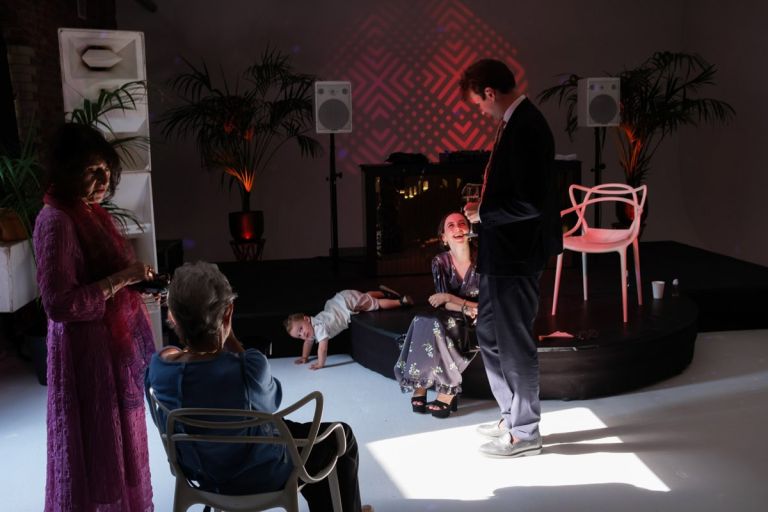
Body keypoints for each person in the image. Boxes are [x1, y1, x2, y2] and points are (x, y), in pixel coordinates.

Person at [146, 262, 371, 511]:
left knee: (299, 435)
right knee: (340, 437)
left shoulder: (159, 368)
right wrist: (230, 337)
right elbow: (269, 405)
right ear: (228, 313)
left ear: (172, 317)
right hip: (261, 473)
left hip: (199, 471)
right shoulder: (249, 368)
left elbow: (180, 362)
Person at [33, 123, 156, 510]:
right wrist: (123, 279)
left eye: (107, 170)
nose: (104, 180)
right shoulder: (56, 220)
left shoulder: (91, 213)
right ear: (68, 172)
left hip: (111, 352)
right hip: (84, 358)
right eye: (92, 171)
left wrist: (138, 285)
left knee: (119, 449)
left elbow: (103, 278)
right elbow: (59, 304)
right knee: (97, 450)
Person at [460, 59, 563, 457]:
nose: (481, 111)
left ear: (489, 92)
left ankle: (525, 432)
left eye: (479, 103)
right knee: (488, 334)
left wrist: (483, 214)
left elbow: (529, 203)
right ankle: (511, 415)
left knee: (514, 343)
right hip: (500, 254)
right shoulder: (516, 123)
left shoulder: (528, 126)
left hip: (517, 256)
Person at [394, 212, 480, 418]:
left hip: (480, 317)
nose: (457, 228)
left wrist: (452, 299)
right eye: (451, 225)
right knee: (421, 321)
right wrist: (462, 306)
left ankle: (447, 389)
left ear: (469, 230)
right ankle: (420, 383)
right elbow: (444, 303)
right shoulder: (440, 261)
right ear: (444, 237)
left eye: (462, 223)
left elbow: (487, 303)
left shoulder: (484, 259)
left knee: (442, 326)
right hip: (453, 313)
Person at [285, 288, 412, 370]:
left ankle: (400, 301)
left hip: (346, 302)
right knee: (365, 298)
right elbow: (308, 343)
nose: (303, 335)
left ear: (307, 319)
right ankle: (384, 293)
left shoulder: (318, 327)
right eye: (299, 336)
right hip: (341, 300)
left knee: (376, 304)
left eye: (300, 329)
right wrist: (304, 357)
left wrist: (320, 363)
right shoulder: (310, 330)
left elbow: (322, 349)